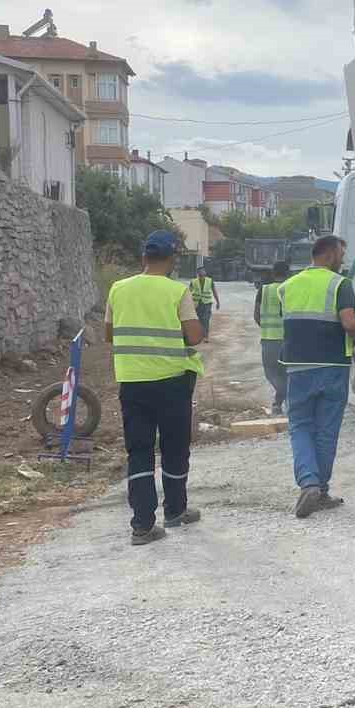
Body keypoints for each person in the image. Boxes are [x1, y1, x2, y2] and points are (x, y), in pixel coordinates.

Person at [105, 230, 205, 546]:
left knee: (139, 451)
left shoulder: (118, 289)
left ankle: (142, 526)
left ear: (143, 257)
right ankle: (175, 511)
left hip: (132, 382)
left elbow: (109, 334)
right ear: (173, 259)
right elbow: (195, 336)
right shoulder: (177, 291)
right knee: (174, 448)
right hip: (172, 381)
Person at [281, 235, 355, 518]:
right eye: (341, 255)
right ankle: (321, 490)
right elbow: (350, 323)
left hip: (298, 368)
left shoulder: (287, 286)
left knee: (300, 426)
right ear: (327, 255)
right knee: (326, 430)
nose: (343, 260)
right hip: (332, 367)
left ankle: (308, 483)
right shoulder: (340, 284)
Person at [253, 260, 290, 415]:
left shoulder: (264, 290)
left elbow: (256, 314)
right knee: (285, 373)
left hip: (268, 340)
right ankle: (282, 401)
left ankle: (281, 400)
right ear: (288, 274)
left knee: (271, 373)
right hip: (287, 340)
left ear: (273, 273)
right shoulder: (290, 289)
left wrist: (266, 326)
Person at [190, 266, 219, 338]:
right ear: (197, 273)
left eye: (203, 271)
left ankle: (206, 336)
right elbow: (188, 292)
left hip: (207, 303)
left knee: (206, 319)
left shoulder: (210, 281)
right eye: (200, 271)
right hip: (197, 304)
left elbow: (214, 291)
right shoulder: (193, 281)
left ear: (205, 273)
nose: (202, 272)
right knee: (198, 320)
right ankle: (200, 334)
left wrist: (218, 302)